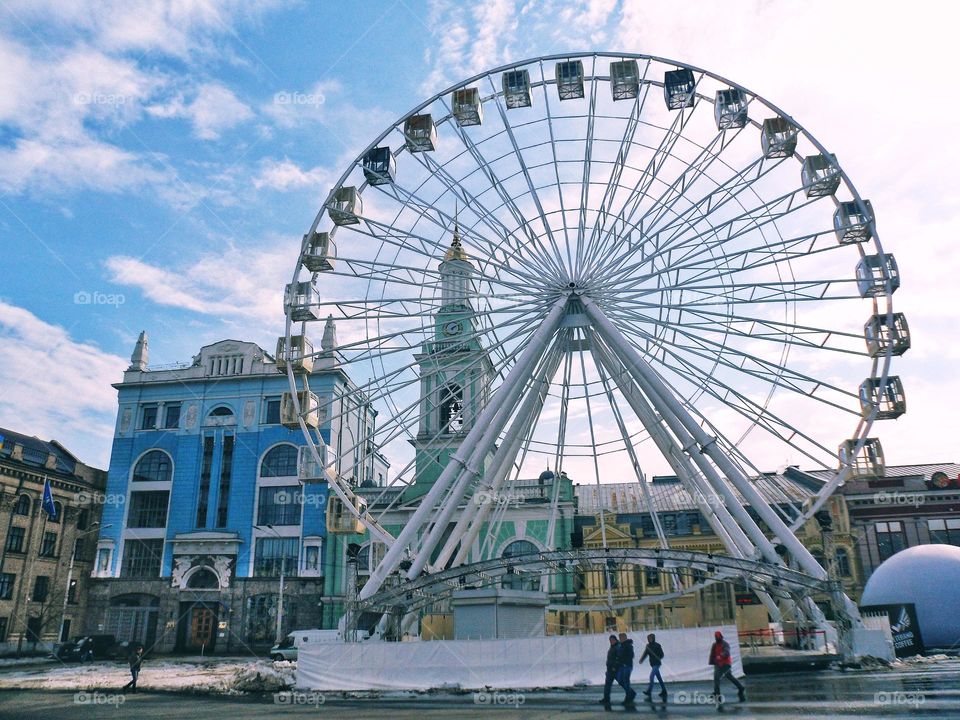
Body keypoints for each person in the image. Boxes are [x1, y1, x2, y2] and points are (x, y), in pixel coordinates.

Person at [707, 630, 745, 703]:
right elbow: (712, 653)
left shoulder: (725, 644)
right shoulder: (714, 645)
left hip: (725, 663)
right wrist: (713, 660)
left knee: (729, 676)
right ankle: (717, 693)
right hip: (718, 664)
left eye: (717, 637)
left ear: (720, 637)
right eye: (716, 637)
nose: (717, 638)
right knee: (716, 678)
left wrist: (721, 656)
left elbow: (727, 652)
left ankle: (741, 687)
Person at [639, 633, 667, 700]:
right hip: (652, 664)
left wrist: (658, 657)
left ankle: (649, 691)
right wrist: (641, 660)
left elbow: (662, 654)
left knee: (651, 676)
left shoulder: (657, 645)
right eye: (649, 638)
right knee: (659, 678)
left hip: (657, 664)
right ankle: (664, 691)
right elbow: (645, 654)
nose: (650, 640)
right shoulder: (648, 646)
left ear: (653, 638)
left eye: (651, 638)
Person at [616, 632, 636, 705]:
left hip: (627, 665)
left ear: (625, 638)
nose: (620, 639)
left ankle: (628, 697)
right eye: (620, 638)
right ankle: (631, 692)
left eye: (621, 638)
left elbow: (631, 655)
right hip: (622, 666)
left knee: (626, 681)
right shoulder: (621, 646)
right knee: (620, 680)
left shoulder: (628, 645)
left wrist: (624, 661)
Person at [600, 634, 620, 705]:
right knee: (607, 684)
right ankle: (606, 698)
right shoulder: (612, 647)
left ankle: (631, 693)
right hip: (610, 669)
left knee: (622, 682)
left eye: (612, 640)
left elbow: (618, 658)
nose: (611, 641)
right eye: (610, 640)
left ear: (615, 640)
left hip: (615, 669)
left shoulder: (617, 647)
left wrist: (615, 666)